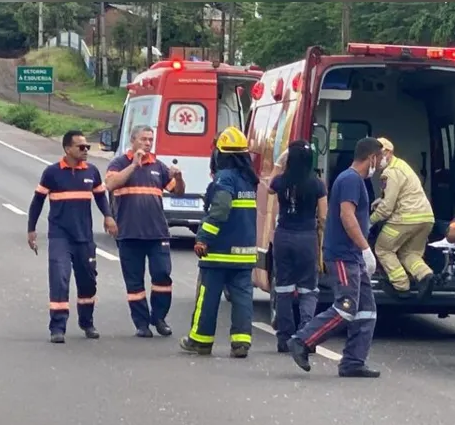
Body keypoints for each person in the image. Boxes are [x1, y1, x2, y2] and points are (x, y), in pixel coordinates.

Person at [287, 137, 383, 378]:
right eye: (379, 159)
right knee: (346, 307)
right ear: (371, 157)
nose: (380, 165)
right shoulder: (351, 179)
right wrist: (365, 249)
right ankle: (302, 340)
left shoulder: (354, 181)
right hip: (344, 256)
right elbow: (346, 216)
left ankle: (353, 361)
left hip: (352, 256)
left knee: (366, 310)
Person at [27, 130, 118, 343]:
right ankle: (57, 327)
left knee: (88, 282)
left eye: (87, 147)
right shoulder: (52, 173)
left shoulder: (92, 172)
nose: (86, 150)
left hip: (84, 238)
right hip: (60, 236)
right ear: (68, 149)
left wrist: (108, 216)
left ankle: (87, 322)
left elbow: (100, 196)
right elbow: (37, 201)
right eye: (81, 147)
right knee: (60, 278)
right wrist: (31, 229)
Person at [180, 126, 258, 358]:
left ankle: (201, 341)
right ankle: (241, 343)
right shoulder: (248, 179)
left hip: (219, 252)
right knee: (243, 299)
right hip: (244, 253)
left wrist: (203, 237)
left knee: (208, 297)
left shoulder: (226, 178)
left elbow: (221, 209)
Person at [105, 125, 185, 338]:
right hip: (129, 233)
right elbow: (111, 184)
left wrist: (180, 177)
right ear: (133, 141)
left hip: (157, 233)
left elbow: (177, 191)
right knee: (134, 283)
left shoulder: (158, 166)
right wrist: (134, 165)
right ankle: (141, 324)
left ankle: (158, 317)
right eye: (144, 139)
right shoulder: (118, 163)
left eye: (151, 139)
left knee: (162, 275)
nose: (148, 143)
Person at [268, 140, 327, 353]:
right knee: (308, 289)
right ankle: (306, 336)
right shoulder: (317, 184)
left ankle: (284, 338)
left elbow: (269, 188)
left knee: (283, 288)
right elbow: (323, 216)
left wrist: (278, 163)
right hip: (306, 238)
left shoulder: (281, 181)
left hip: (283, 235)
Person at [370, 137, 435, 300]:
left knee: (383, 249)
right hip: (426, 218)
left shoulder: (389, 173)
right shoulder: (402, 166)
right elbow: (402, 193)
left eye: (379, 155)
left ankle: (401, 286)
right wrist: (380, 201)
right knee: (409, 252)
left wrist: (370, 221)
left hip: (405, 219)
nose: (376, 160)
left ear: (388, 153)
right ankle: (425, 275)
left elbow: (386, 209)